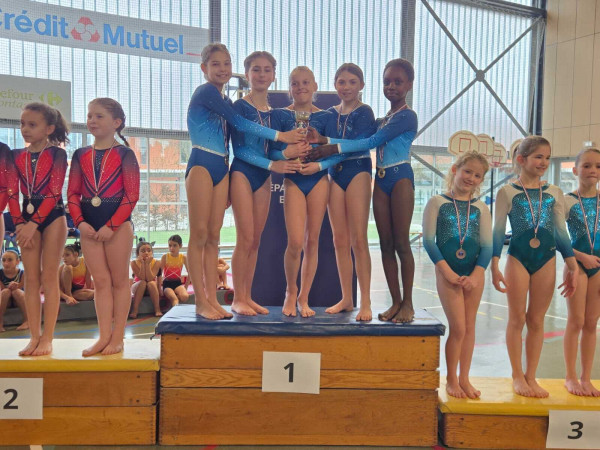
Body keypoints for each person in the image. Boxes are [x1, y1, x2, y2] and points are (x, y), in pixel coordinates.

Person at [186, 43, 304, 320]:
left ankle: (218, 299)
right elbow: (240, 130)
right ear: (204, 68)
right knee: (200, 234)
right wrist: (280, 138)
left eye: (226, 64)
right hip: (204, 162)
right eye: (216, 64)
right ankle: (202, 300)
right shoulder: (209, 94)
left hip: (222, 166)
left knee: (215, 236)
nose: (222, 69)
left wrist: (287, 152)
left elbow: (262, 147)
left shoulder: (228, 102)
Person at [306, 58, 419, 323]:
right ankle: (393, 302)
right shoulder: (383, 119)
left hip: (399, 177)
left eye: (398, 82)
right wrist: (321, 140)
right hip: (380, 178)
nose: (391, 87)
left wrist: (329, 145)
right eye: (387, 82)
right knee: (385, 244)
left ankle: (408, 304)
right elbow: (362, 138)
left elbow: (370, 141)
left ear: (409, 85)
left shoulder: (406, 116)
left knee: (401, 243)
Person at [491, 136, 578, 398]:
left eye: (547, 157)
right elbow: (498, 232)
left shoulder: (554, 192)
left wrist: (572, 264)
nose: (544, 162)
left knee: (537, 320)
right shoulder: (507, 192)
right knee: (517, 318)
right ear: (522, 159)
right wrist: (494, 265)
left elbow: (561, 232)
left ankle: (531, 375)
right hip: (518, 258)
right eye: (538, 156)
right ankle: (517, 375)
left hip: (546, 259)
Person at [229, 51, 303, 316]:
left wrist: (284, 156)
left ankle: (247, 296)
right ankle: (237, 298)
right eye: (256, 70)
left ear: (274, 75)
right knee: (244, 238)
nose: (261, 75)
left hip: (263, 176)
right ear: (247, 74)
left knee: (255, 241)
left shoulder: (274, 115)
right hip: (242, 172)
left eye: (267, 70)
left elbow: (272, 150)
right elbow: (241, 150)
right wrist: (273, 165)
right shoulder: (239, 107)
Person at [67, 97, 139, 356]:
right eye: (89, 116)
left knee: (119, 281)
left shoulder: (125, 154)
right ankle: (103, 336)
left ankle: (118, 338)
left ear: (116, 122)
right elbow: (72, 194)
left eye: (99, 116)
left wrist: (112, 225)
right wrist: (80, 222)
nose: (92, 120)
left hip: (118, 226)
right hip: (89, 226)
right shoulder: (80, 154)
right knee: (100, 282)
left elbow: (131, 195)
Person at [423, 151, 492, 398]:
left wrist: (477, 275)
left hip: (474, 273)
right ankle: (451, 379)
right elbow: (429, 241)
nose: (471, 178)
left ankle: (465, 378)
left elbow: (487, 246)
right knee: (458, 328)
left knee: (470, 327)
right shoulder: (437, 203)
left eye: (477, 175)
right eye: (467, 171)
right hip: (448, 273)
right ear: (455, 170)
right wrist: (447, 272)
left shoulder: (481, 207)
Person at [268, 66, 335, 317]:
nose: (301, 87)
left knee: (312, 241)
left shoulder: (326, 117)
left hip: (318, 180)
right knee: (295, 242)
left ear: (315, 86)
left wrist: (319, 166)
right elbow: (271, 152)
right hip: (293, 179)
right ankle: (291, 291)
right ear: (289, 89)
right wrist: (286, 154)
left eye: (306, 82)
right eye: (295, 83)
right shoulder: (280, 115)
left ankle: (303, 297)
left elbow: (335, 151)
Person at [8, 102, 69, 356]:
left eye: (32, 124)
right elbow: (12, 192)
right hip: (26, 219)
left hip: (53, 216)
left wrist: (33, 224)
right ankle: (34, 336)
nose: (25, 129)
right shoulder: (16, 156)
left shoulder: (57, 155)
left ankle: (48, 338)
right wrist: (20, 223)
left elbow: (54, 192)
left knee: (49, 277)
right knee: (31, 280)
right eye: (22, 124)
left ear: (49, 129)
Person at [322, 63, 376, 321]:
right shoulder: (329, 114)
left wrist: (326, 143)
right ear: (335, 84)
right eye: (342, 82)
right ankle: (346, 298)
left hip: (357, 171)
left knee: (359, 239)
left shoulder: (365, 111)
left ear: (361, 85)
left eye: (352, 82)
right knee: (339, 240)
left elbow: (359, 144)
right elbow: (320, 144)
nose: (346, 87)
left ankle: (365, 301)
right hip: (335, 173)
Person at [563, 147, 600, 396]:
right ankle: (570, 376)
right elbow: (558, 239)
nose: (593, 170)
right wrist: (578, 258)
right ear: (575, 170)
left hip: (599, 267)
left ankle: (586, 378)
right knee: (576, 321)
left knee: (591, 322)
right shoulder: (567, 201)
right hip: (576, 265)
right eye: (586, 165)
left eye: (598, 166)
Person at [130, 239, 162, 318]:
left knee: (151, 283)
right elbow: (142, 278)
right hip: (138, 286)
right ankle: (135, 310)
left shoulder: (157, 262)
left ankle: (157, 309)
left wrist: (147, 264)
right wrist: (143, 263)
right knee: (143, 282)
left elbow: (150, 278)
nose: (146, 253)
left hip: (151, 287)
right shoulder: (133, 263)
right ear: (138, 253)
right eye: (143, 251)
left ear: (152, 252)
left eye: (149, 250)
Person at [0, 248, 27, 331]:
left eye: (10, 260)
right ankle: (0, 322)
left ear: (17, 262)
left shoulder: (22, 273)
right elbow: (2, 289)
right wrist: (9, 288)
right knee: (5, 292)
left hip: (18, 300)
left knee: (16, 292)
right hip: (6, 301)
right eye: (3, 260)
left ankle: (27, 320)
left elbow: (24, 289)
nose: (6, 263)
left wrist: (17, 286)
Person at [160, 234, 190, 306]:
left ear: (180, 246)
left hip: (177, 283)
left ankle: (171, 304)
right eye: (170, 245)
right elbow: (159, 274)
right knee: (174, 299)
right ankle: (175, 310)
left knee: (185, 296)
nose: (171, 248)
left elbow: (190, 273)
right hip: (167, 284)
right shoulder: (165, 257)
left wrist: (186, 287)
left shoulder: (183, 257)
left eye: (174, 245)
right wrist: (159, 289)